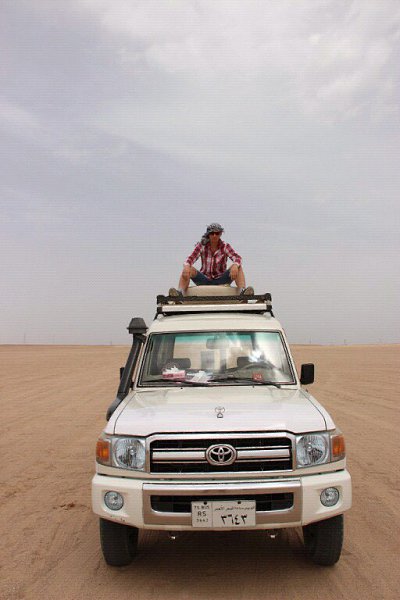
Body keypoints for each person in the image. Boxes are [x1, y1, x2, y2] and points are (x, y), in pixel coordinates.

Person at [169, 223, 254, 296]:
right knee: (188, 268)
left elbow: (237, 257)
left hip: (221, 279)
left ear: (220, 234)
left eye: (217, 233)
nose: (214, 235)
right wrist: (187, 266)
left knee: (238, 267)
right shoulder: (201, 246)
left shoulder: (225, 246)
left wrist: (235, 265)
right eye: (212, 233)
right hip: (204, 279)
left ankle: (243, 292)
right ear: (208, 234)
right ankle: (179, 293)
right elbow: (190, 258)